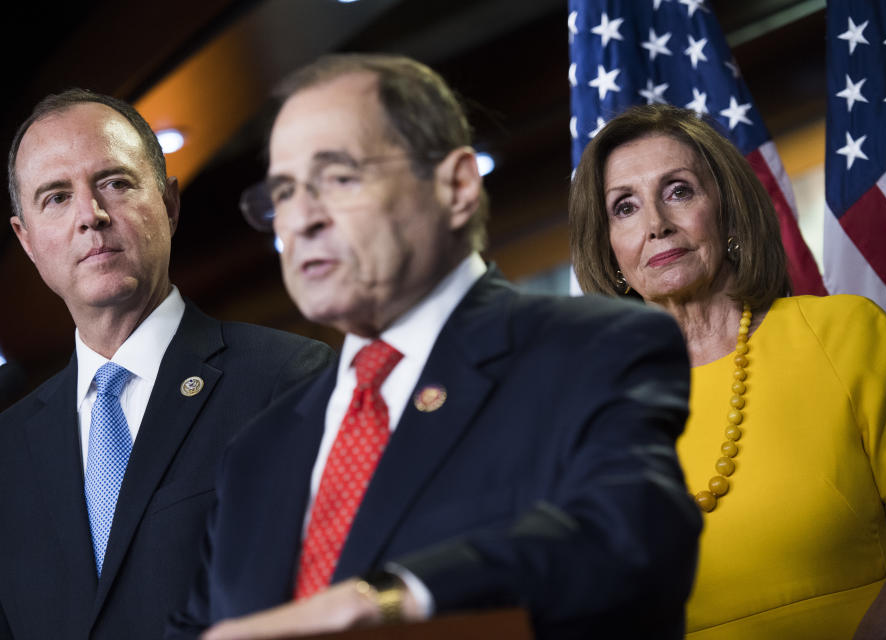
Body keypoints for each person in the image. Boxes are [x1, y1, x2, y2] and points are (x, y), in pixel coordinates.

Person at [167, 54, 700, 640]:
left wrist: (387, 600)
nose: (302, 220)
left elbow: (628, 539)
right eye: (285, 192)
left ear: (456, 186)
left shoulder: (590, 349)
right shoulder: (257, 452)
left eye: (339, 177)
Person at [0, 89, 334, 640]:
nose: (91, 216)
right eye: (56, 197)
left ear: (169, 204)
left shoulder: (286, 378)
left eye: (115, 183)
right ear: (26, 242)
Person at [568, 103, 886, 640]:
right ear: (608, 249)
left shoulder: (844, 332)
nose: (656, 225)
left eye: (679, 191)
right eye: (624, 207)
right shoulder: (586, 412)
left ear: (727, 210)